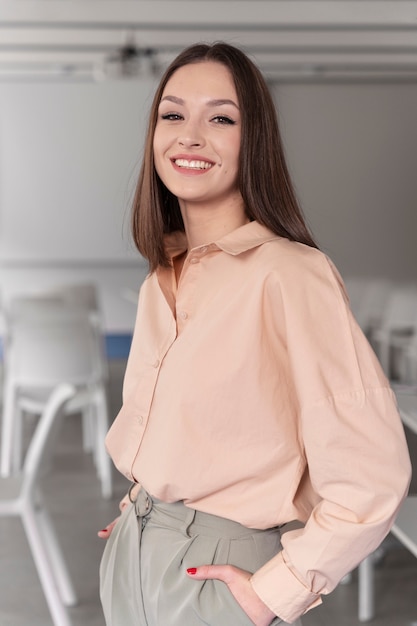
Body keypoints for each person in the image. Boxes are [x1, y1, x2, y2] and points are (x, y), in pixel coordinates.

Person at [98, 42, 411, 626]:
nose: (190, 135)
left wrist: (280, 590)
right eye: (173, 114)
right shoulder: (160, 278)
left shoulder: (290, 273)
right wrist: (142, 511)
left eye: (221, 117)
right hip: (135, 548)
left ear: (254, 140)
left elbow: (372, 475)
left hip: (218, 570)